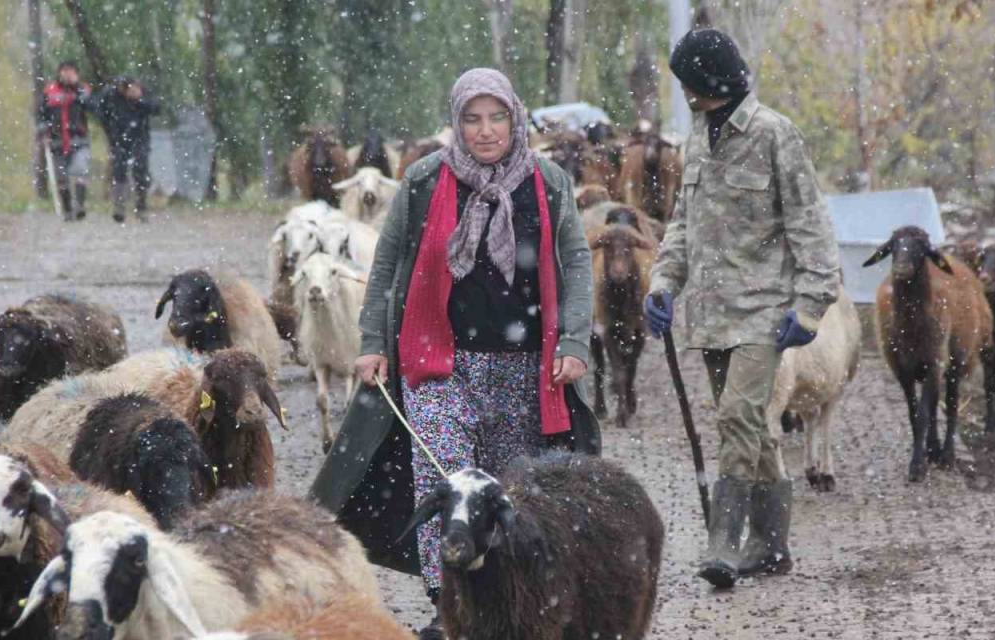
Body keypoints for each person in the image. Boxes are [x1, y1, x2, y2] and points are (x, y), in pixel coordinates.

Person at [309, 68, 599, 640]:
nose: (485, 131)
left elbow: (575, 260)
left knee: (509, 491)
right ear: (457, 122)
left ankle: (503, 603)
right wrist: (373, 344)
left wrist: (573, 340)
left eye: (496, 118)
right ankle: (449, 604)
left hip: (525, 366)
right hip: (439, 359)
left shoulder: (547, 181)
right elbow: (388, 263)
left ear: (515, 119)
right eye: (472, 119)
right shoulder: (424, 179)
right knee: (440, 478)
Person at [644, 29, 841, 589]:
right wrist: (663, 283)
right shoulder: (697, 139)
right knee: (752, 428)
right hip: (710, 316)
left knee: (736, 419)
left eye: (690, 84)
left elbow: (811, 225)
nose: (686, 96)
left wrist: (810, 307)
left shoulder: (776, 135)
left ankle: (723, 545)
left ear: (711, 82)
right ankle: (773, 547)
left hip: (764, 313)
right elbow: (683, 224)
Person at [96, 75, 161, 223]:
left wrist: (140, 100)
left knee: (141, 168)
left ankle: (141, 206)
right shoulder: (110, 95)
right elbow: (100, 111)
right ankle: (119, 207)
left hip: (140, 136)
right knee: (119, 170)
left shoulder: (143, 92)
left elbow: (156, 108)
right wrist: (110, 130)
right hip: (119, 137)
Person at [37, 61, 94, 221]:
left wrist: (76, 90)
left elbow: (90, 106)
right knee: (61, 178)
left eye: (70, 71)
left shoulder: (84, 89)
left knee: (81, 171)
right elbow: (42, 115)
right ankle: (67, 209)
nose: (67, 74)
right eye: (64, 71)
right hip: (57, 141)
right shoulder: (49, 91)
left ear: (76, 73)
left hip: (79, 138)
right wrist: (43, 132)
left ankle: (80, 205)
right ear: (59, 72)